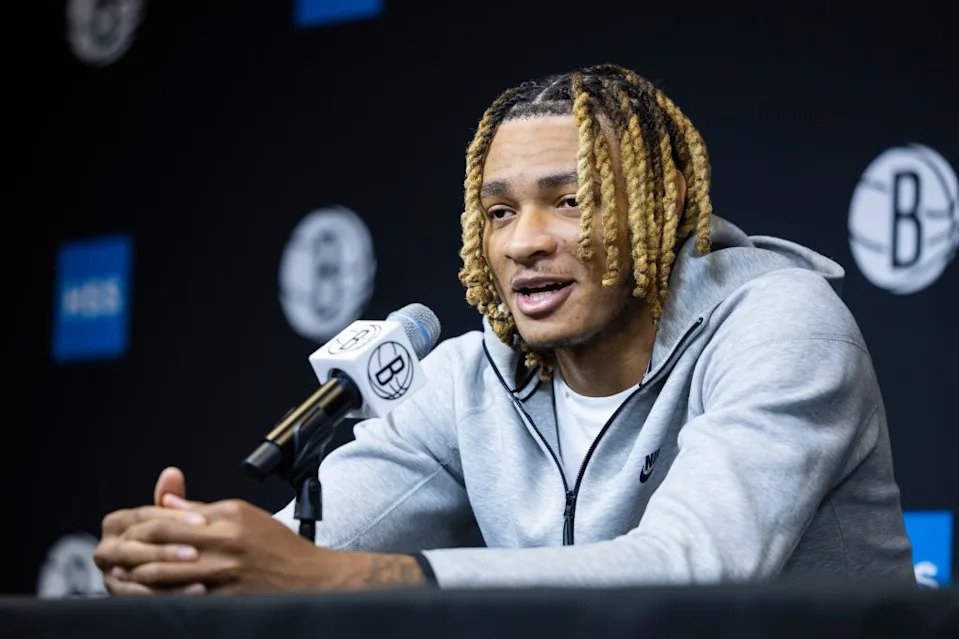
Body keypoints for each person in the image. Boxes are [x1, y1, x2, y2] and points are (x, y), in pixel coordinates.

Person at [93, 63, 915, 594]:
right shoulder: (469, 380)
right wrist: (190, 561)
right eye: (498, 210)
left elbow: (690, 568)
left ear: (662, 202)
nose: (523, 241)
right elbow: (310, 544)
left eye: (569, 200)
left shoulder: (782, 323)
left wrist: (350, 579)